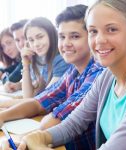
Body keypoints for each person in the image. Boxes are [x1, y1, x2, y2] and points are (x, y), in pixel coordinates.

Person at [15, 0, 126, 150]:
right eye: (93, 31)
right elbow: (73, 124)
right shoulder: (106, 77)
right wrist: (32, 138)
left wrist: (37, 145)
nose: (99, 40)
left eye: (111, 29)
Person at [0, 4, 104, 150]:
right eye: (62, 36)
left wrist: (27, 139)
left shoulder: (99, 71)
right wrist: (2, 117)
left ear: (92, 36)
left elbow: (52, 121)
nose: (66, 43)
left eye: (74, 36)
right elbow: (38, 102)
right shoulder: (73, 71)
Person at [20, 17, 70, 98]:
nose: (36, 44)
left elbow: (42, 99)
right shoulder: (44, 60)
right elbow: (28, 96)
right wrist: (25, 65)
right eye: (31, 40)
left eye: (40, 37)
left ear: (51, 35)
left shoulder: (61, 60)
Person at [3, 19, 28, 93]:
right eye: (3, 47)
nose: (6, 50)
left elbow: (11, 79)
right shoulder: (22, 59)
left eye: (9, 43)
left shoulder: (28, 58)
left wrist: (4, 76)